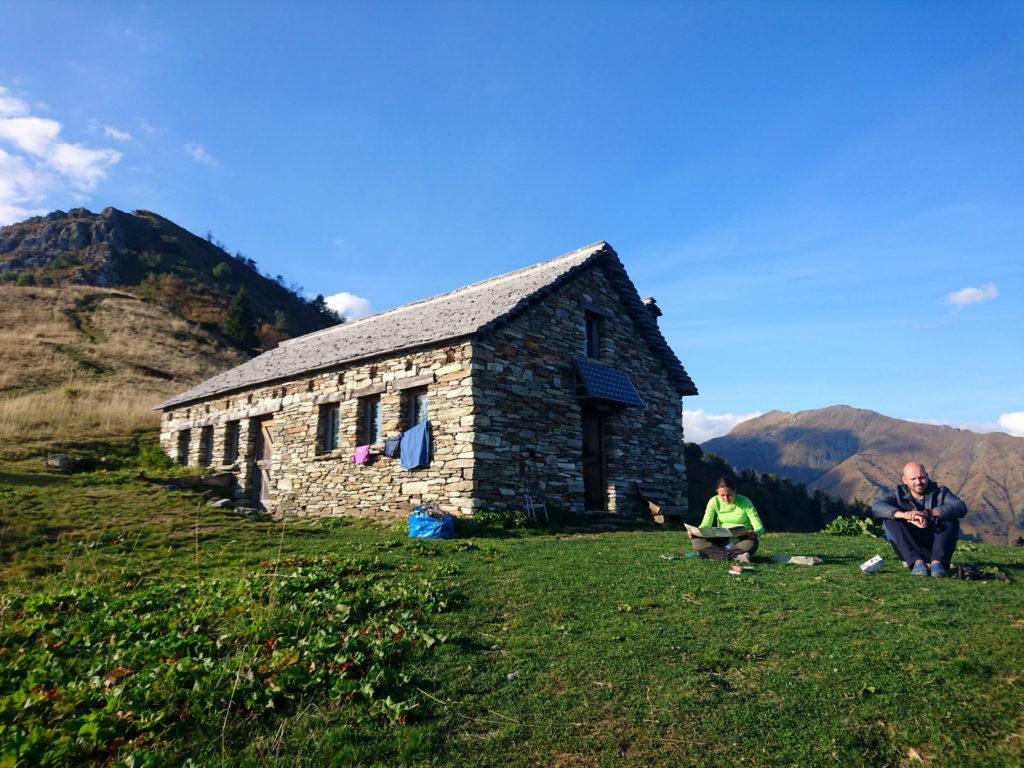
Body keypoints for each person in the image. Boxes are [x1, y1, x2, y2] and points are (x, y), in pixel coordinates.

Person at [871, 462, 968, 578]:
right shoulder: (898, 494)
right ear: (905, 480)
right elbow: (877, 507)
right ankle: (917, 563)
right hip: (910, 548)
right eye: (913, 479)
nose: (918, 482)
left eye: (921, 477)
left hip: (937, 546)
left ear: (927, 476)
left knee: (950, 519)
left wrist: (929, 513)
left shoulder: (941, 493)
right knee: (890, 520)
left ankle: (938, 563)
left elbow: (961, 507)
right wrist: (905, 515)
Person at [689, 476, 765, 562]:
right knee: (696, 542)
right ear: (717, 492)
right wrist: (697, 532)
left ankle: (712, 553)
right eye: (722, 495)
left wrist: (754, 533)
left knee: (751, 543)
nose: (726, 499)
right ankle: (734, 557)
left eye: (729, 495)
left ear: (735, 491)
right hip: (721, 538)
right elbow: (706, 523)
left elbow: (760, 528)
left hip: (741, 539)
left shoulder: (745, 501)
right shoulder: (713, 501)